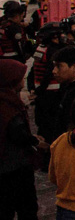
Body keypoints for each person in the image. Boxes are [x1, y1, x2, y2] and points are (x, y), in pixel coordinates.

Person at [0, 59, 43, 219]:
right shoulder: (7, 104)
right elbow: (16, 132)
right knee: (26, 208)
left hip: (8, 166)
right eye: (20, 78)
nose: (23, 81)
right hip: (14, 166)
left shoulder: (7, 99)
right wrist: (35, 142)